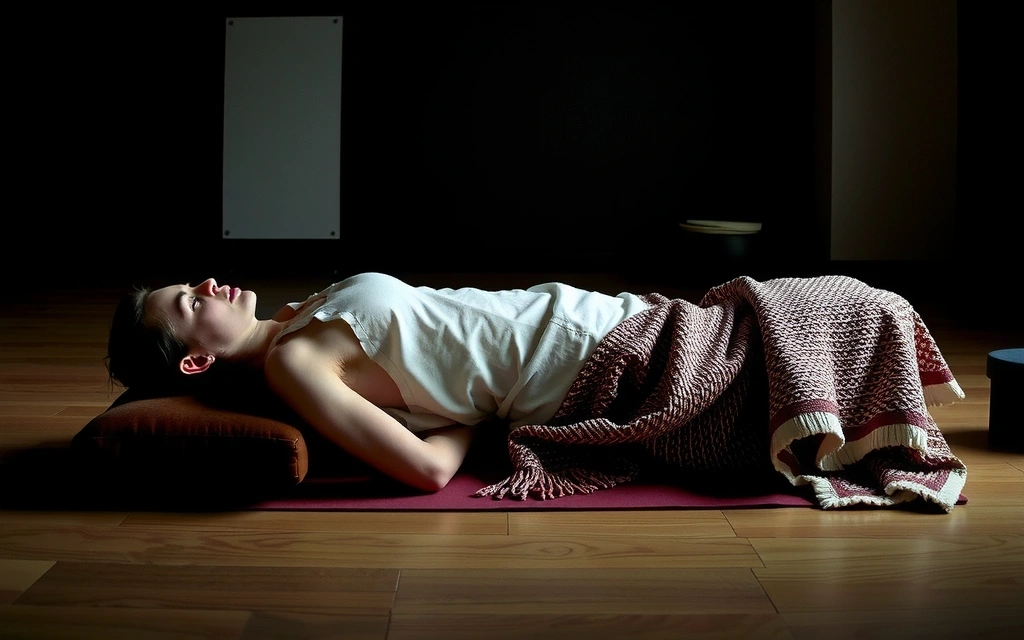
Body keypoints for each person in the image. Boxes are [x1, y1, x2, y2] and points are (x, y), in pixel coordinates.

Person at [105, 272, 650, 493]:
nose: (208, 282)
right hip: (585, 361)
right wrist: (475, 417)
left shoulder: (296, 314)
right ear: (196, 362)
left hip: (587, 312)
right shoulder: (292, 364)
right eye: (192, 301)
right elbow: (427, 469)